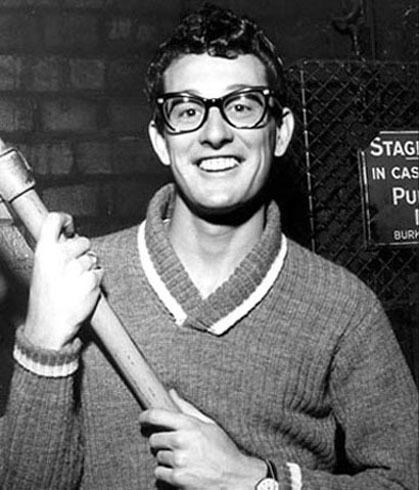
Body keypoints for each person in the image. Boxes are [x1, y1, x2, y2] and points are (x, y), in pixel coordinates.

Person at [0, 4, 417, 490]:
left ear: (279, 132)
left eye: (242, 106)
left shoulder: (344, 309)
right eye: (188, 110)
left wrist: (257, 483)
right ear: (160, 140)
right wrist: (46, 341)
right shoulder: (80, 283)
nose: (214, 133)